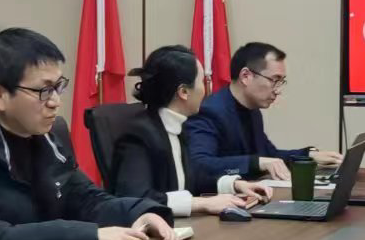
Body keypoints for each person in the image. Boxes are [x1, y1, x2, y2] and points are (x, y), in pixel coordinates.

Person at [0, 28, 175, 240]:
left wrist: (138, 213)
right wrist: (90, 239)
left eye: (58, 87)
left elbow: (85, 198)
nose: (55, 102)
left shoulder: (44, 135)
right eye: (44, 90)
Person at [109, 45, 271, 216]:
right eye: (201, 82)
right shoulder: (138, 135)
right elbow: (136, 198)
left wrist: (234, 185)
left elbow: (189, 180)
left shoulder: (176, 126)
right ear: (184, 92)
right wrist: (201, 203)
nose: (205, 90)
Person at [183, 41, 341, 183]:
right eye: (274, 80)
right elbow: (199, 165)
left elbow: (269, 155)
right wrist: (256, 162)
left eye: (281, 82)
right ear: (246, 76)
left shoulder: (253, 109)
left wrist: (308, 155)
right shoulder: (210, 112)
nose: (278, 91)